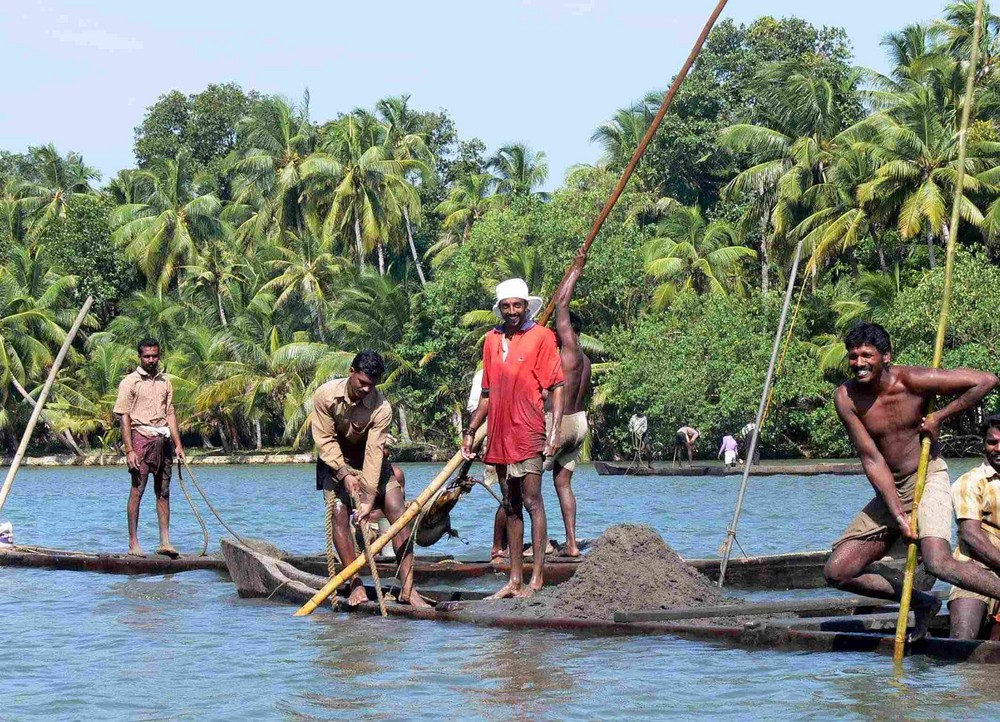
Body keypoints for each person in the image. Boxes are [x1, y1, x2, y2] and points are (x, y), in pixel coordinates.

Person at [823, 322, 1000, 640]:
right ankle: (923, 602)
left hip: (927, 475)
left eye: (867, 355)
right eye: (853, 356)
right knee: (838, 571)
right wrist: (899, 515)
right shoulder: (846, 397)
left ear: (886, 356)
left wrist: (938, 417)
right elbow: (872, 459)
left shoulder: (914, 380)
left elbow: (986, 381)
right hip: (889, 486)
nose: (859, 363)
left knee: (938, 563)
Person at [463, 278, 565, 598]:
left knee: (533, 501)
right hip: (499, 434)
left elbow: (557, 386)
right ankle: (515, 580)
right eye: (506, 307)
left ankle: (536, 579)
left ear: (525, 306)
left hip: (529, 429)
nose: (512, 312)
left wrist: (554, 432)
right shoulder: (491, 341)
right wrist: (469, 433)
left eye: (517, 306)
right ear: (500, 309)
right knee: (510, 504)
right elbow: (487, 395)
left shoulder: (542, 337)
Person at [312, 350, 430, 609]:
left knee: (399, 513)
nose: (366, 389)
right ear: (351, 373)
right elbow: (325, 441)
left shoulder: (382, 408)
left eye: (372, 385)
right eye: (361, 382)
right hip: (334, 462)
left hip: (369, 461)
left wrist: (367, 497)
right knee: (339, 513)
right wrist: (344, 474)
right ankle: (355, 582)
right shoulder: (325, 396)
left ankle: (409, 588)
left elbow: (375, 453)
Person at [114, 338, 185, 559]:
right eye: (147, 356)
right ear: (140, 357)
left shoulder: (165, 382)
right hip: (140, 438)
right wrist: (129, 450)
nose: (151, 360)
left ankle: (165, 542)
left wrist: (178, 445)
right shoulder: (130, 382)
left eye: (155, 356)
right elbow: (123, 416)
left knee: (163, 492)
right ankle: (133, 543)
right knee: (138, 490)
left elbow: (170, 413)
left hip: (163, 440)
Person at [950, 415, 1000, 640]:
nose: (998, 448)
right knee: (962, 640)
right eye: (992, 442)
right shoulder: (971, 481)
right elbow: (971, 535)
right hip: (974, 570)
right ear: (984, 444)